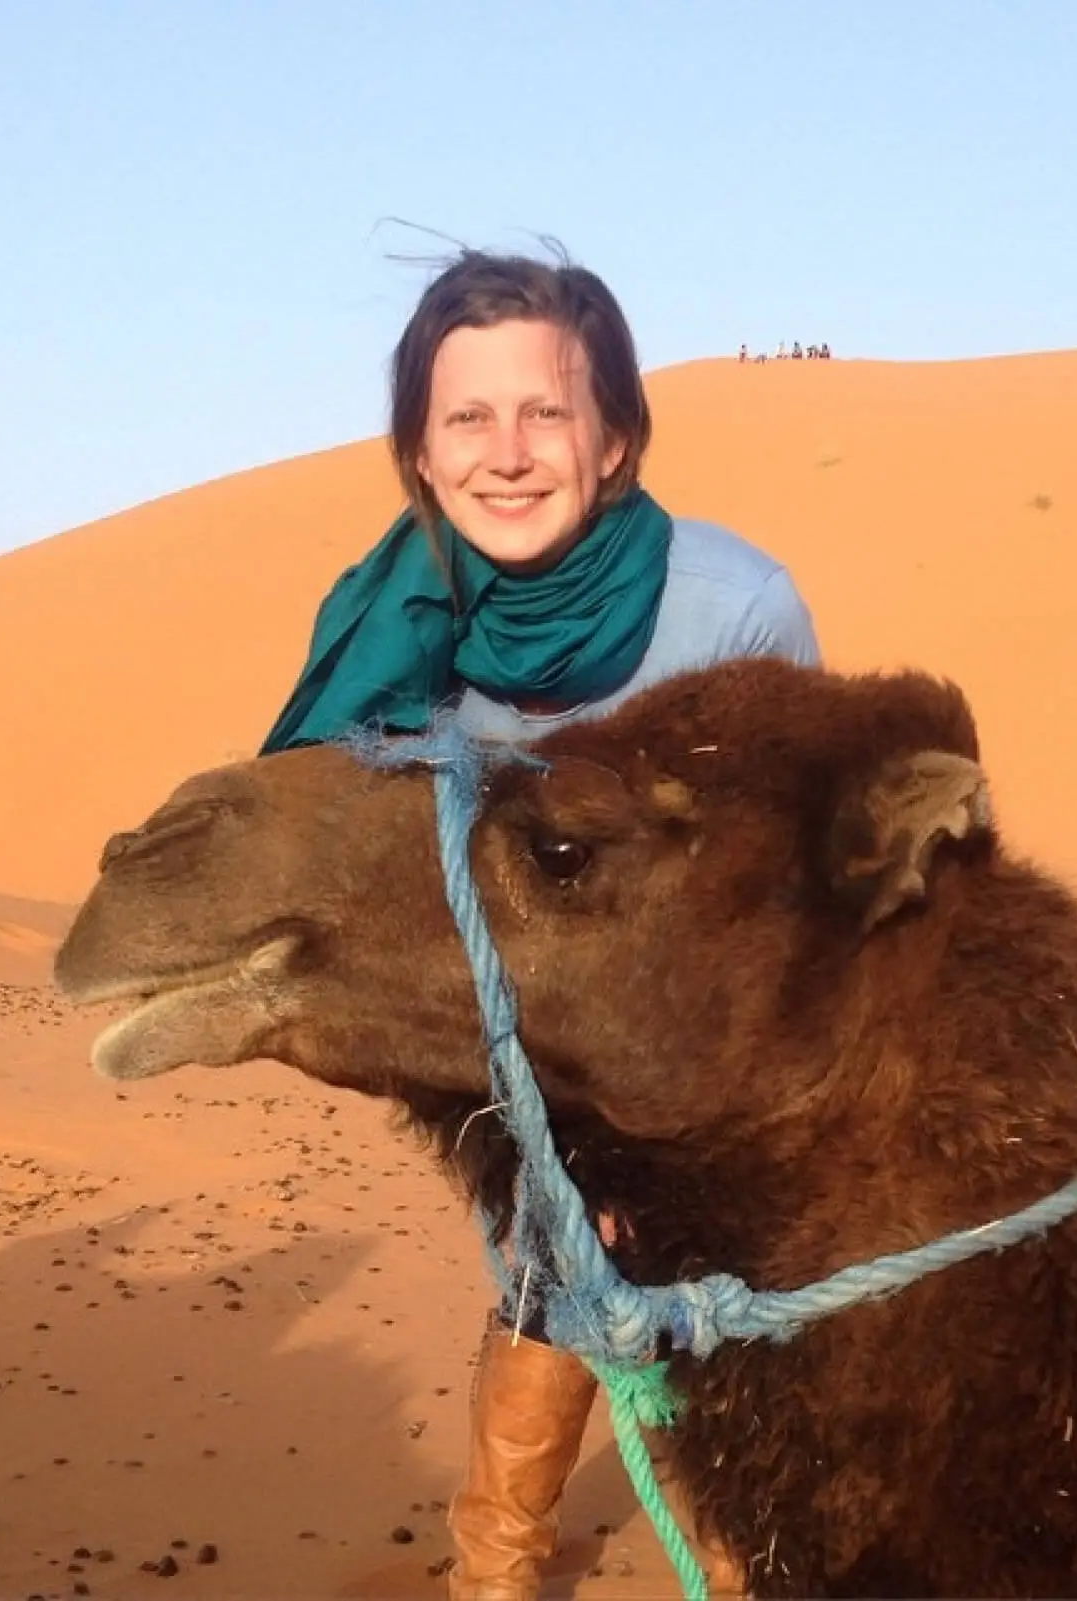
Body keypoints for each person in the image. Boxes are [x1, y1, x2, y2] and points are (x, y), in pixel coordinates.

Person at [261, 247, 819, 1599]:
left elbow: (785, 903)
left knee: (723, 1330)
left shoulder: (730, 610)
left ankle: (744, 1561)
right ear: (420, 451)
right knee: (545, 1285)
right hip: (509, 1057)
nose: (508, 455)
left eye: (546, 413)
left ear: (613, 438)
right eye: (467, 419)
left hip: (713, 1055)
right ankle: (495, 1567)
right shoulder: (390, 641)